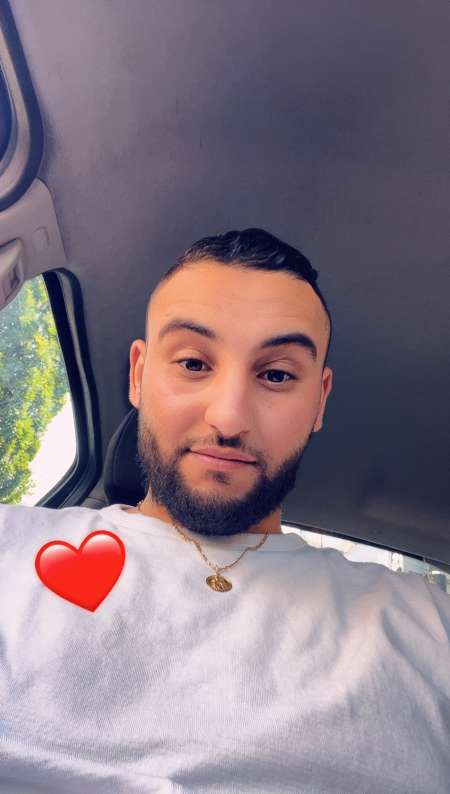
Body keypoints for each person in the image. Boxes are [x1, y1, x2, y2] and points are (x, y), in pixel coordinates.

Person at [0, 228, 448, 793]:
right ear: (138, 375)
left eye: (277, 375)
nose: (229, 417)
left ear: (319, 400)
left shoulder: (428, 623)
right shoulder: (9, 545)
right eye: (193, 363)